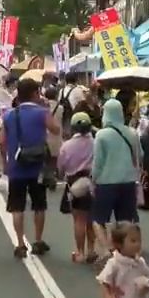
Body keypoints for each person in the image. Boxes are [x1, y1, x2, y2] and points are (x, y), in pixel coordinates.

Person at [0, 78, 60, 258]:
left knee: (17, 207)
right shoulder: (42, 113)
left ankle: (19, 243)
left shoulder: (9, 115)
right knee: (39, 205)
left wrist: (5, 163)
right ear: (35, 93)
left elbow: (2, 142)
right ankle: (38, 240)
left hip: (16, 166)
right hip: (37, 167)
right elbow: (56, 129)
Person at [91, 98, 144, 249]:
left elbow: (98, 162)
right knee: (125, 221)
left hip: (106, 183)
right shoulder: (132, 133)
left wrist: (93, 180)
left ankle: (108, 250)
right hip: (128, 181)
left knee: (98, 219)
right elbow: (140, 155)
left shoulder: (101, 135)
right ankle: (127, 251)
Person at [58, 112, 97, 263]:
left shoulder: (66, 146)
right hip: (93, 183)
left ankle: (80, 252)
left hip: (74, 185)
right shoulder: (96, 143)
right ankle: (92, 249)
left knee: (79, 220)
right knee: (92, 219)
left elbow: (61, 168)